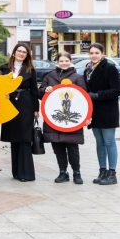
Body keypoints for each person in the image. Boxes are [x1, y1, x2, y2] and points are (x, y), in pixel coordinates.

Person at [39, 52, 87, 185]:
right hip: (53, 119)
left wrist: (87, 117)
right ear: (57, 62)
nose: (64, 63)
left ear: (70, 61)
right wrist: (45, 90)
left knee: (72, 147)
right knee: (58, 147)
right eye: (61, 61)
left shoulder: (77, 78)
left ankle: (76, 172)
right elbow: (40, 92)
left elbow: (84, 98)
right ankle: (62, 172)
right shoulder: (49, 76)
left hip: (71, 121)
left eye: (66, 60)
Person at [0, 43, 39, 182]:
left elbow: (34, 90)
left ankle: (26, 174)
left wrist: (36, 109)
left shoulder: (30, 69)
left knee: (24, 139)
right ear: (14, 52)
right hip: (9, 104)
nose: (21, 53)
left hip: (25, 105)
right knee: (14, 139)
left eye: (24, 52)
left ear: (27, 55)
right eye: (19, 51)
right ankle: (16, 172)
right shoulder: (4, 68)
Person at [84, 43, 120, 185]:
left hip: (108, 111)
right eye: (91, 53)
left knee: (109, 142)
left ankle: (112, 174)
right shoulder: (87, 70)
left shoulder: (110, 68)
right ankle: (102, 172)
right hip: (94, 112)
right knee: (99, 143)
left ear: (102, 54)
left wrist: (97, 95)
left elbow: (117, 91)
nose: (93, 55)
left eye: (97, 53)